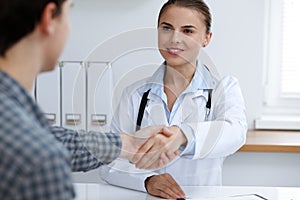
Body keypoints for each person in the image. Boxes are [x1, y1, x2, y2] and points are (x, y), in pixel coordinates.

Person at [0, 0, 179, 199]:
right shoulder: (41, 163)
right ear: (49, 18)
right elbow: (42, 146)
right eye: (69, 12)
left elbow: (50, 137)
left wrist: (128, 144)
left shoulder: (16, 122)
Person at [99, 0, 248, 199]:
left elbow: (234, 133)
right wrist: (147, 180)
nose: (174, 39)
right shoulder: (134, 94)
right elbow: (109, 160)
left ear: (206, 38)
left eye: (187, 31)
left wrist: (183, 134)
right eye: (167, 28)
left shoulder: (224, 89)